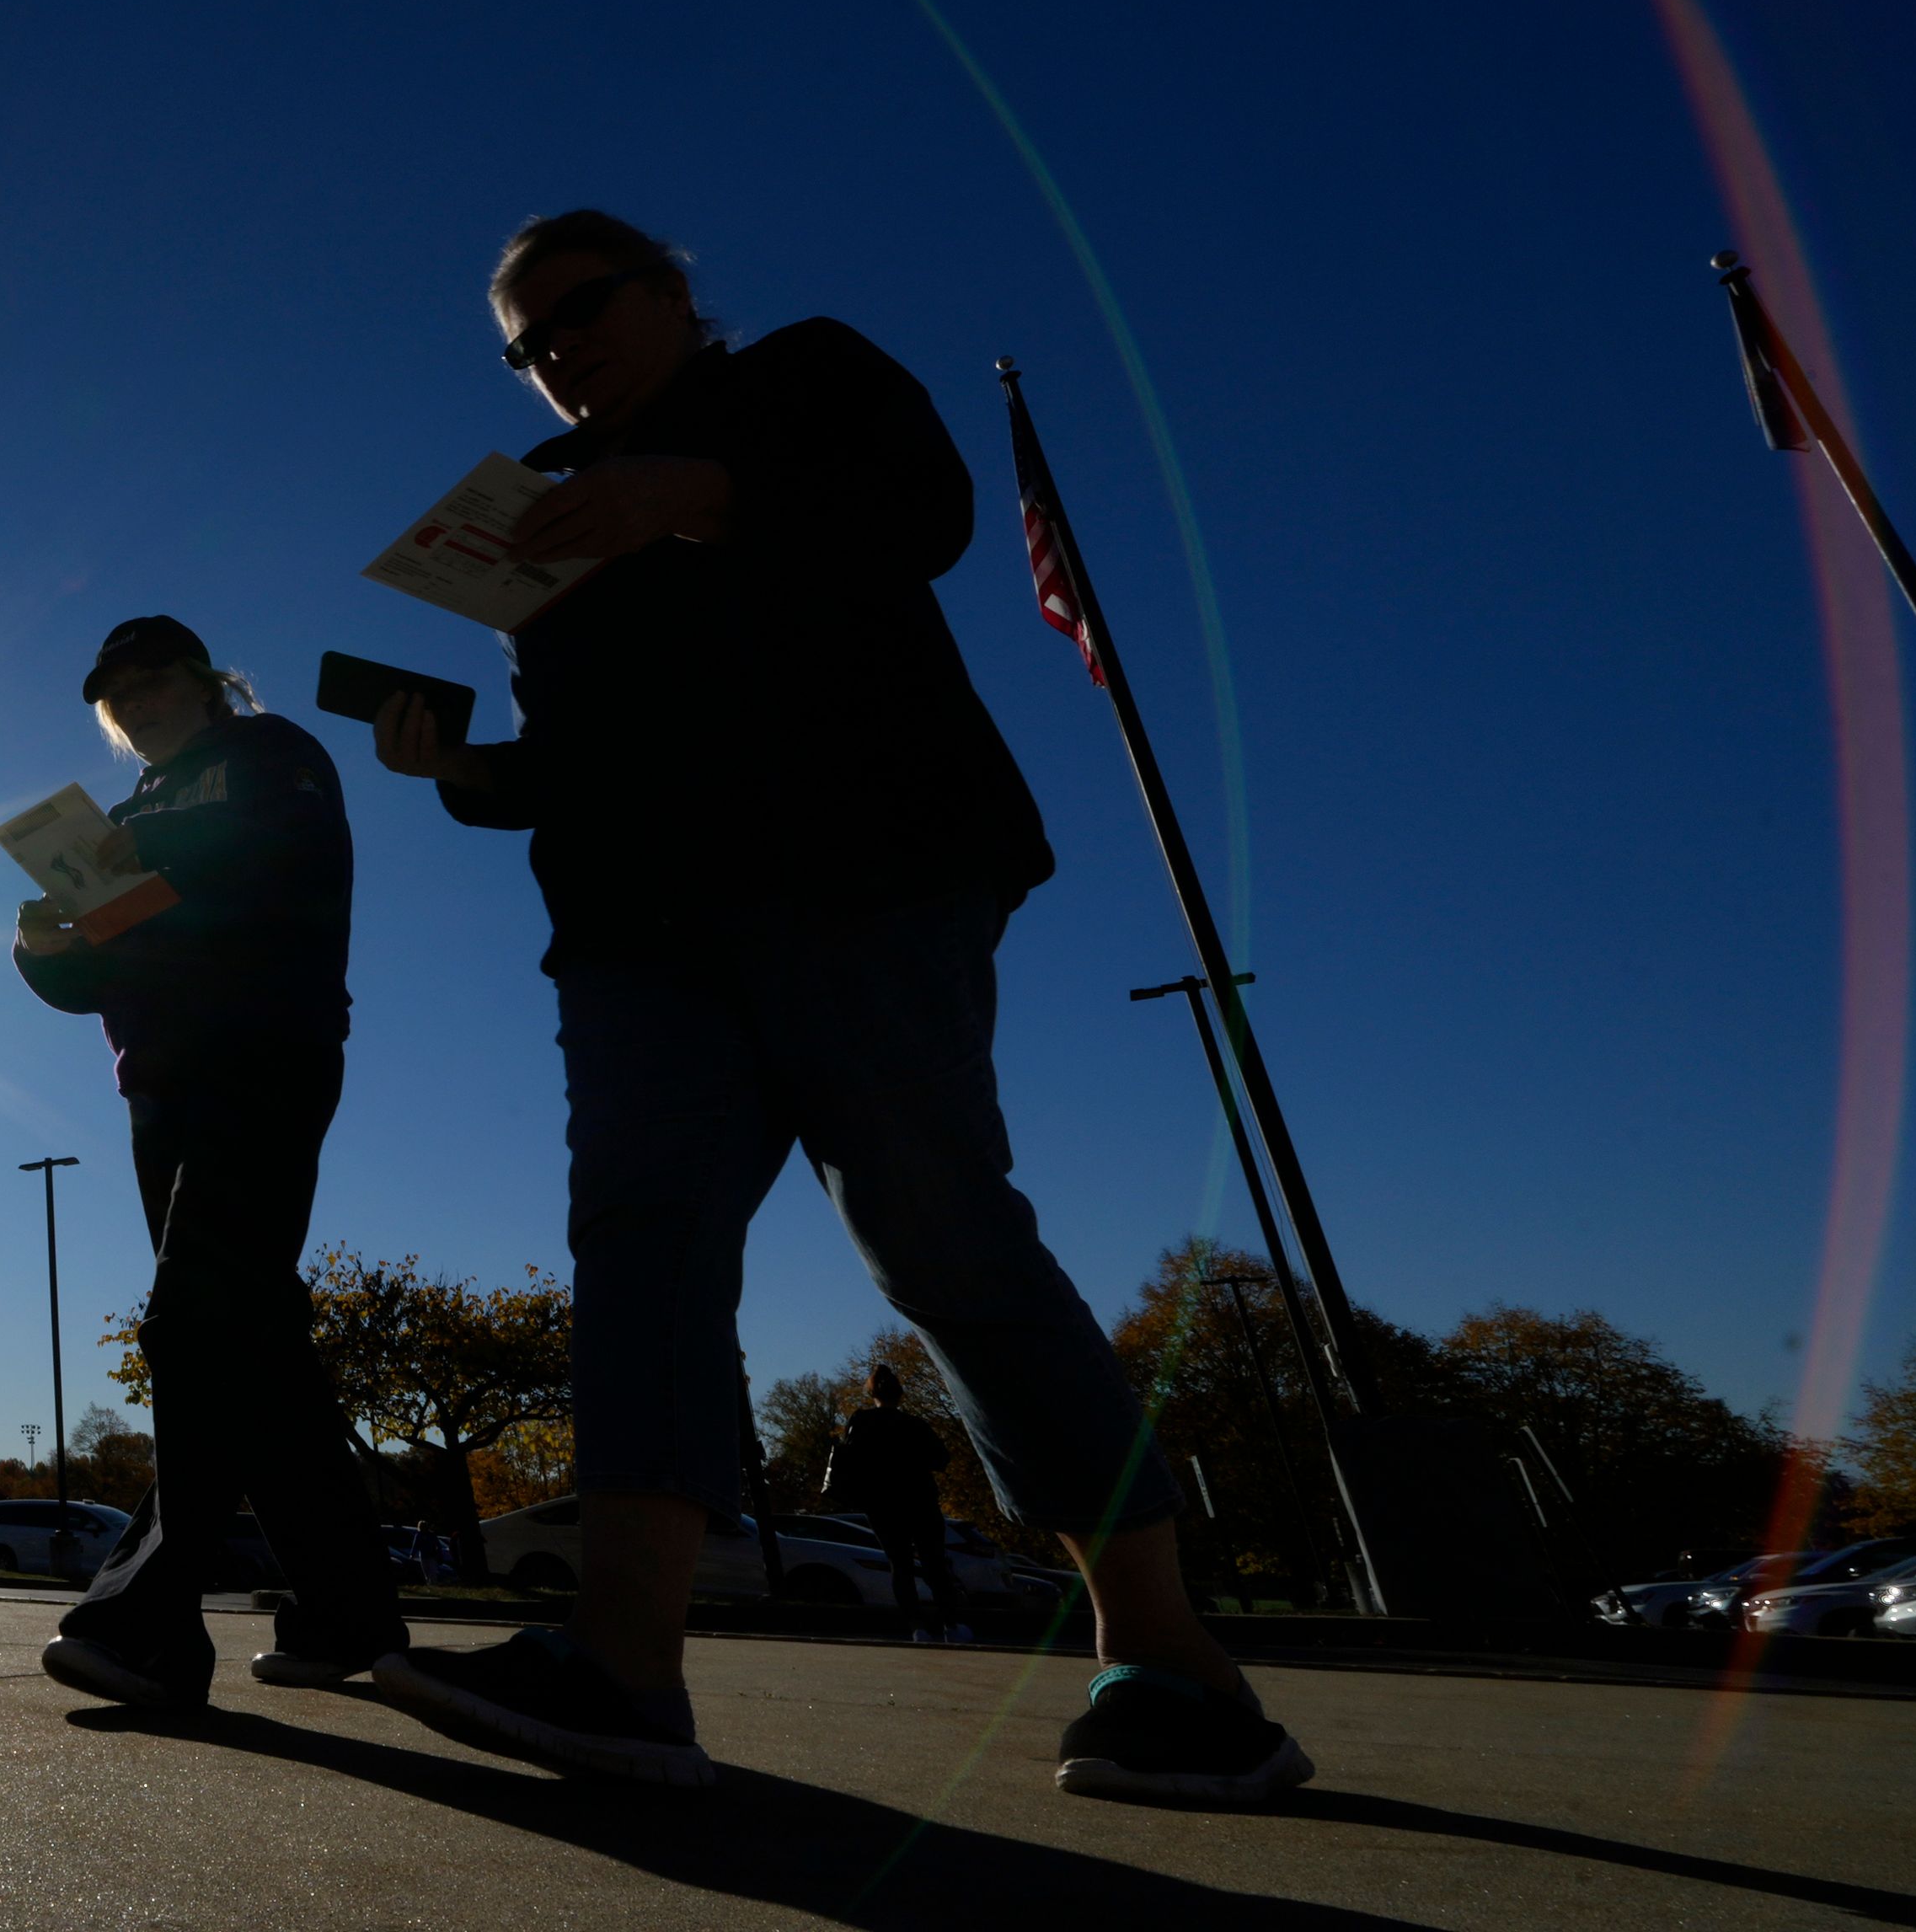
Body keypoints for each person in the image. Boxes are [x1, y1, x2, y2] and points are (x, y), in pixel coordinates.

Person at [365, 211, 1312, 1802]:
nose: (555, 357)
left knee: (932, 1226)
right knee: (644, 1246)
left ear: (672, 290)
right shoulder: (539, 512)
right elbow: (577, 748)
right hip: (639, 927)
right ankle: (621, 1665)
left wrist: (709, 492)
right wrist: (461, 768)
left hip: (860, 865)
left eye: (578, 311)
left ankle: (1171, 1659)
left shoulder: (804, 375)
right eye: (524, 349)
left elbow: (925, 514)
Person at [13, 614, 408, 1706]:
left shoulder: (273, 758)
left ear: (202, 681)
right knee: (257, 1349)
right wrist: (44, 948)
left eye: (150, 682)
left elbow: (287, 883)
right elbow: (99, 973)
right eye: (116, 695)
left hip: (266, 1057)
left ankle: (148, 1623)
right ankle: (346, 1617)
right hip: (160, 1089)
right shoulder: (127, 813)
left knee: (195, 1319)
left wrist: (157, 874)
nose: (135, 704)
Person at [826, 1364, 966, 1643]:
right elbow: (941, 1459)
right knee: (934, 1563)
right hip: (920, 1499)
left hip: (881, 1502)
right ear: (900, 1394)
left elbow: (851, 1456)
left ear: (871, 1392)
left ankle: (917, 1627)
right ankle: (952, 1623)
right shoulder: (914, 1424)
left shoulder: (862, 1421)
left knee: (899, 1564)